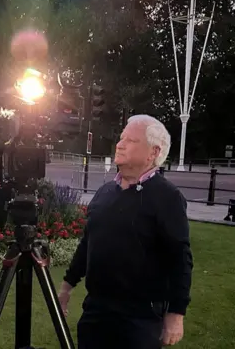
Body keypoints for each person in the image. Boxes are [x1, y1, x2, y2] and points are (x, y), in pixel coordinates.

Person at [58, 114, 193, 348]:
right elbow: (88, 243)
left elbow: (180, 258)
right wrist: (66, 288)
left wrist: (176, 314)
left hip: (140, 319)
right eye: (121, 138)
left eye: (131, 140)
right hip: (96, 311)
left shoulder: (167, 197)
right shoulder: (105, 192)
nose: (119, 144)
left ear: (153, 152)